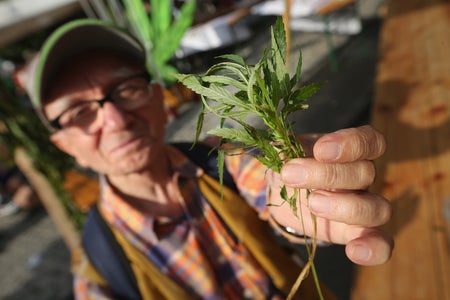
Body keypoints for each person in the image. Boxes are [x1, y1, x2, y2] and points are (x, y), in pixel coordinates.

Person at [28, 19, 393, 299]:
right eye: (79, 113)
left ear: (159, 99)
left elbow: (266, 177)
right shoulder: (99, 273)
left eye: (127, 89)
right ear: (63, 145)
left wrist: (305, 197)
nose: (115, 120)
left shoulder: (220, 155)